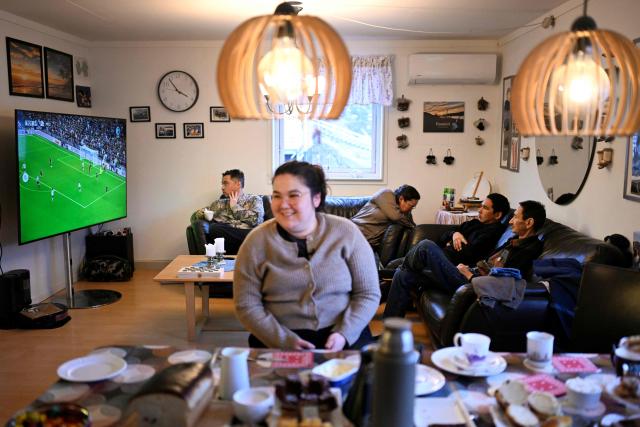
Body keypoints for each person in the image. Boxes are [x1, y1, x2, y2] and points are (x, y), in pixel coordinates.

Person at [234, 161, 380, 350]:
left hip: (345, 335)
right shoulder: (256, 242)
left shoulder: (347, 233)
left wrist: (344, 333)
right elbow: (246, 305)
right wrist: (283, 340)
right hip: (275, 339)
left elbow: (368, 293)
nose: (283, 205)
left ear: (316, 198)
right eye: (277, 196)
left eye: (294, 195)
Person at [384, 200, 546, 319]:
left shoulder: (529, 249)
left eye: (515, 217)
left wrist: (470, 275)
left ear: (529, 222)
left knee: (425, 246)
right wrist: (469, 267)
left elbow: (505, 282)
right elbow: (486, 261)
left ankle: (382, 274)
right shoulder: (513, 242)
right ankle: (389, 331)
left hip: (471, 284)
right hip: (468, 272)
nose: (510, 221)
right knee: (403, 274)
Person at [193, 169, 264, 255]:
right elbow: (196, 215)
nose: (222, 187)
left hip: (248, 235)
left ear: (238, 184)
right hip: (226, 237)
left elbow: (256, 220)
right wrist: (204, 214)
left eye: (225, 183)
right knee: (214, 228)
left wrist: (234, 207)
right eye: (222, 184)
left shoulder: (254, 199)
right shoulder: (219, 204)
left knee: (216, 228)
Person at [351, 185, 420, 251]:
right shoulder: (386, 194)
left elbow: (412, 226)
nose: (411, 209)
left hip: (367, 244)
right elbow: (395, 216)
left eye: (413, 207)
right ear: (401, 199)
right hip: (353, 232)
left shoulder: (404, 214)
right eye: (410, 205)